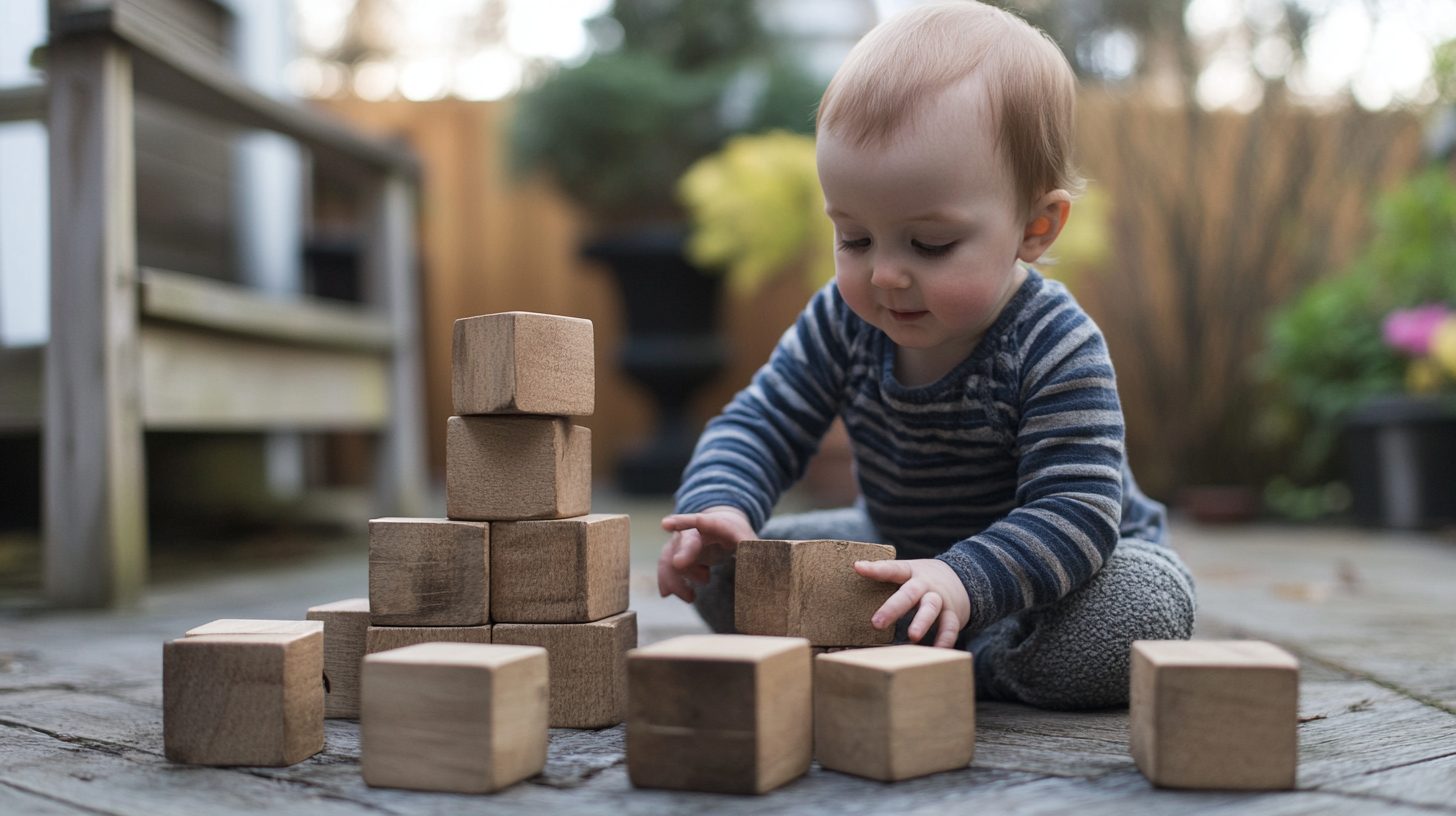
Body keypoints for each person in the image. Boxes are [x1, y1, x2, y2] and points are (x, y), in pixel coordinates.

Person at [656, 0, 1195, 710]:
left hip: (1059, 579)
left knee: (1142, 609)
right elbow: (760, 423)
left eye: (930, 244)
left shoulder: (1054, 342)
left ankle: (974, 661)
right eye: (853, 238)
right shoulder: (842, 320)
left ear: (1034, 227)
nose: (885, 274)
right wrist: (720, 506)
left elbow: (1077, 511)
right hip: (899, 556)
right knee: (740, 574)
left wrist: (963, 581)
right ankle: (904, 639)